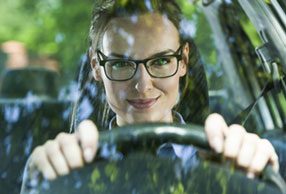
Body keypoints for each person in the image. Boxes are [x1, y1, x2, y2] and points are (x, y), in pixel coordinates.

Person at [21, 0, 279, 191]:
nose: (143, 85)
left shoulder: (225, 162)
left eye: (162, 61)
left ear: (183, 61)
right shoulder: (71, 171)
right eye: (121, 64)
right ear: (96, 67)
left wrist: (254, 177)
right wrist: (36, 185)